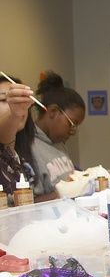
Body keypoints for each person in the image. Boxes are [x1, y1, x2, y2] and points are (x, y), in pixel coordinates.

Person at [6, 72, 85, 201]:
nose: (73, 131)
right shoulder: (26, 145)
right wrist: (67, 192)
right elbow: (28, 203)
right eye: (72, 123)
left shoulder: (58, 143)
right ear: (53, 112)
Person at [0, 74, 36, 201]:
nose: (20, 107)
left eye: (23, 101)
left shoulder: (22, 154)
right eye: (4, 100)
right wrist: (14, 114)